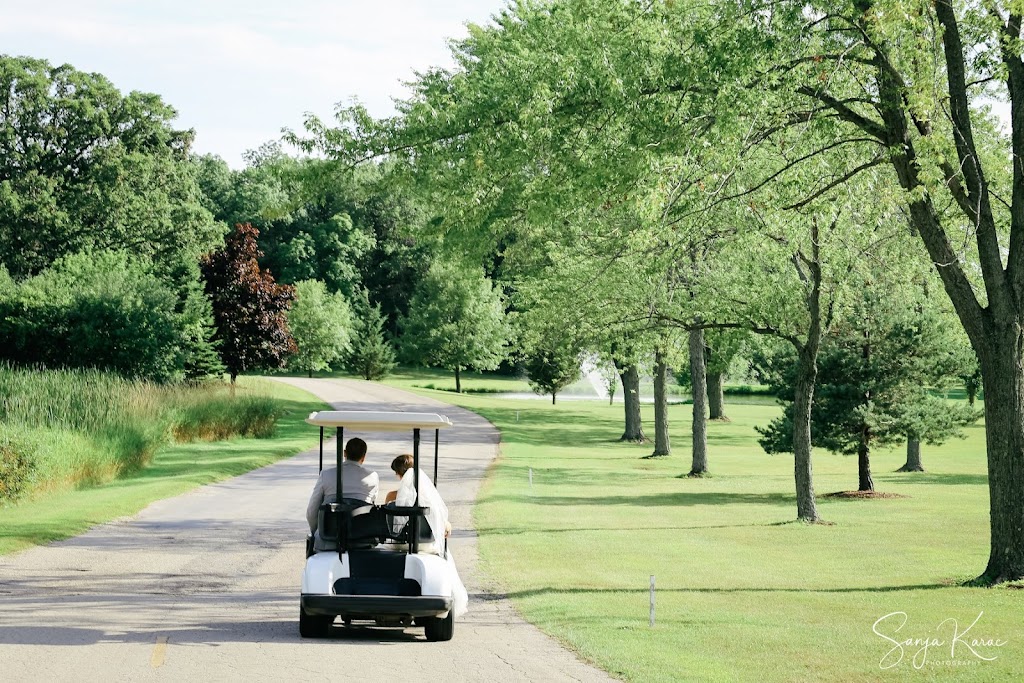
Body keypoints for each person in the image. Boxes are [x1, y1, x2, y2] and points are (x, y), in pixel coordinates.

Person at [306, 437, 379, 550]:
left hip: (329, 540)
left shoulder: (326, 475)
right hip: (361, 541)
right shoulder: (372, 477)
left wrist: (318, 531)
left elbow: (312, 512)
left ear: (344, 453)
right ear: (363, 457)